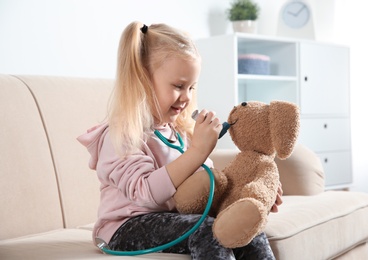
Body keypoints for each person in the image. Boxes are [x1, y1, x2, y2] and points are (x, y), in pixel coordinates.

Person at [77, 21, 282, 260]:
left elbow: (207, 188)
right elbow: (145, 193)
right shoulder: (121, 134)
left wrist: (253, 193)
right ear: (142, 79)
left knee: (241, 229)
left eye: (192, 87)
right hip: (124, 227)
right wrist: (197, 152)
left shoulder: (180, 132)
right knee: (210, 231)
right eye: (178, 86)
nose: (186, 97)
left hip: (173, 219)